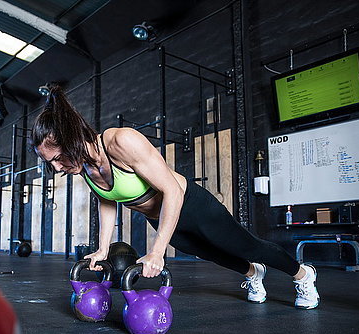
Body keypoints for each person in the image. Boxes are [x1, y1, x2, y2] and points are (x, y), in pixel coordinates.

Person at [31, 85, 319, 309]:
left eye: (57, 158)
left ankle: (303, 275)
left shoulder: (121, 142)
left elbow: (171, 190)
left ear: (71, 138)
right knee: (211, 254)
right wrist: (102, 248)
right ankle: (253, 274)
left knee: (245, 245)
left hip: (191, 204)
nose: (56, 167)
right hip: (160, 217)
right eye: (50, 163)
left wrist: (158, 251)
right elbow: (107, 199)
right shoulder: (82, 166)